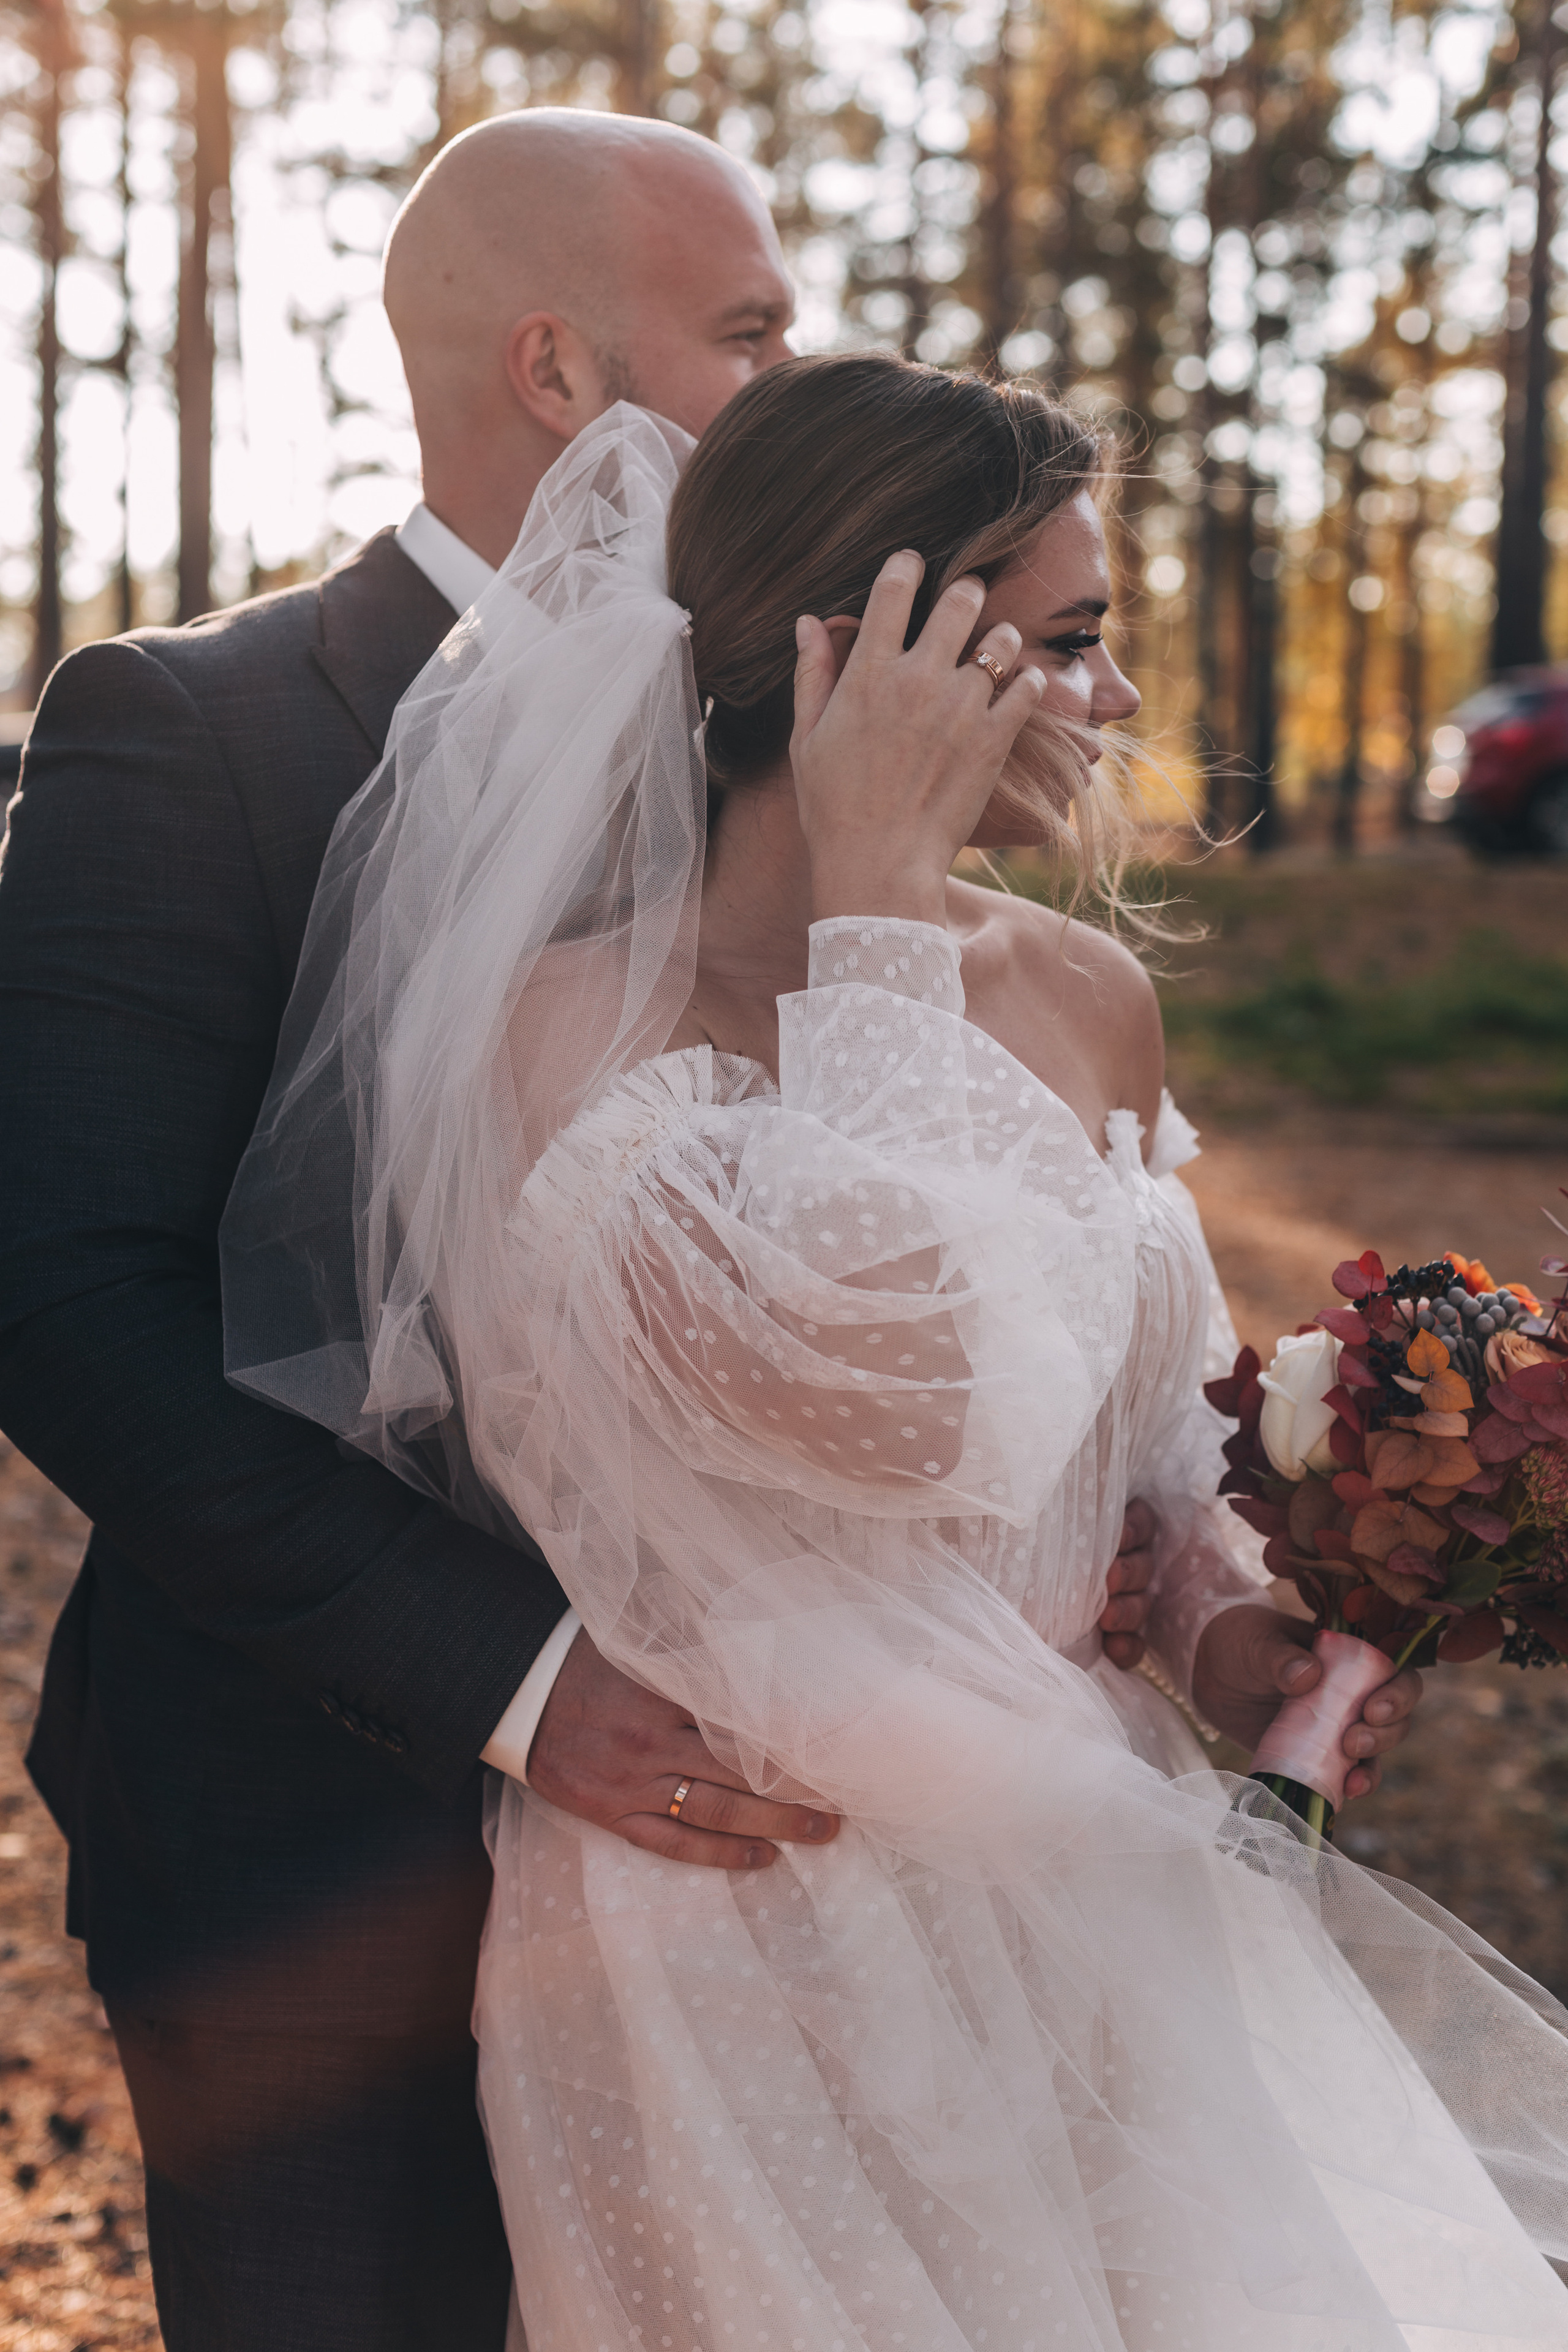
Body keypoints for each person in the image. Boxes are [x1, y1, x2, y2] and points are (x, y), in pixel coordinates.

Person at [221, 356, 1562, 2350]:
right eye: (1069, 643)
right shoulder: (569, 1032)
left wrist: (1226, 1633)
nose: (1119, 702)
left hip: (1101, 1890)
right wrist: (873, 925)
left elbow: (1142, 1422)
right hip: (764, 1929)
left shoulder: (1089, 994)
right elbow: (896, 1403)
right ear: (862, 660)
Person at [0, 117, 1174, 2352]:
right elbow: (67, 1303)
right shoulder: (196, 730)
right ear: (557, 370)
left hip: (846, 1881)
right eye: (751, 334)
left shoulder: (835, 730)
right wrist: (524, 1684)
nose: (801, 377)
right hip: (334, 1841)